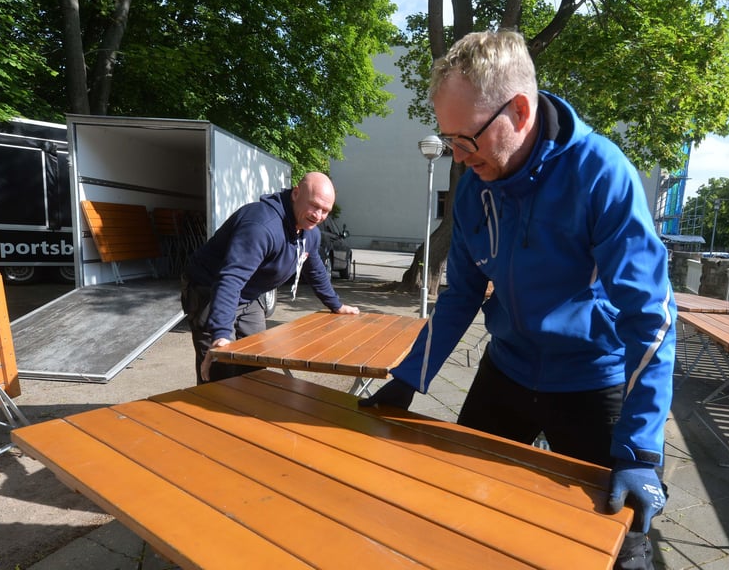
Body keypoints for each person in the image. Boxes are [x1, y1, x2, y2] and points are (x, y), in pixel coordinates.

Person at [359, 31, 676, 570]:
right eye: (447, 140)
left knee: (621, 540)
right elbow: (459, 293)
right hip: (506, 369)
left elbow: (650, 319)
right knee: (461, 504)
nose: (457, 155)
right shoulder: (473, 188)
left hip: (591, 378)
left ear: (520, 111)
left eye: (466, 139)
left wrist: (642, 449)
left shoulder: (599, 175)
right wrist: (410, 376)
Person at [182, 172, 360, 384]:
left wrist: (336, 305)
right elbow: (231, 279)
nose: (318, 215)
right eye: (314, 205)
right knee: (220, 368)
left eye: (325, 211)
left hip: (250, 295)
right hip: (210, 291)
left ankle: (247, 412)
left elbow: (315, 270)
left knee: (255, 362)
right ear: (296, 193)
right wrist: (221, 333)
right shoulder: (262, 226)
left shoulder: (309, 232)